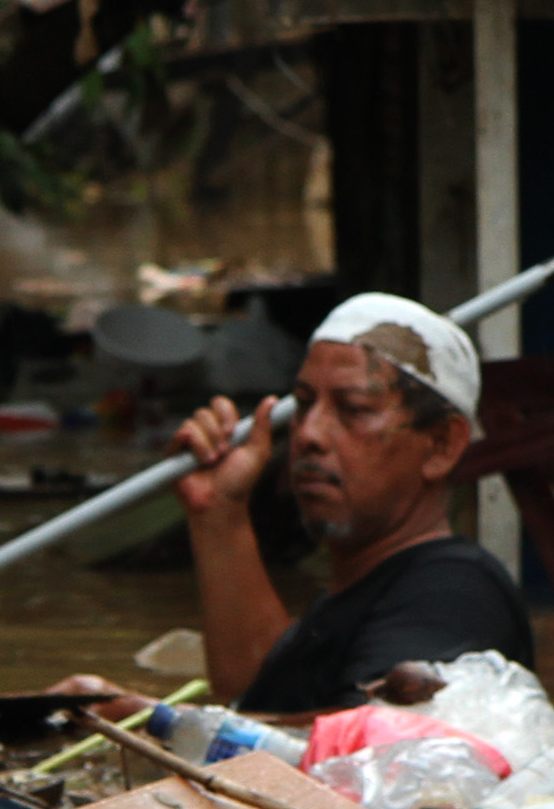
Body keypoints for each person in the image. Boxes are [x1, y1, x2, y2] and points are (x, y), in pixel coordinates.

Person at [164, 293, 535, 712]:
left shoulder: (452, 595)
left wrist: (170, 725)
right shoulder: (358, 592)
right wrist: (218, 512)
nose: (309, 433)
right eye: (304, 404)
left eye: (354, 409)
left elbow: (368, 747)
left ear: (441, 445)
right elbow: (251, 694)